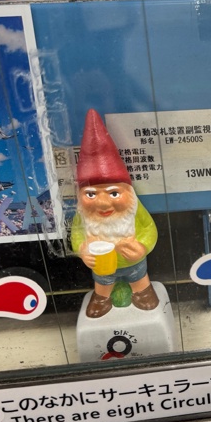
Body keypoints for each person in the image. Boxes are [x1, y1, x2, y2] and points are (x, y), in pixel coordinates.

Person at [70, 110, 158, 318]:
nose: (103, 203)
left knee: (138, 276)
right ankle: (102, 297)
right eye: (91, 194)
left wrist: (142, 246)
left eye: (114, 193)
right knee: (103, 281)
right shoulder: (83, 214)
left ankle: (142, 291)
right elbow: (77, 233)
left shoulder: (134, 209)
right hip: (102, 266)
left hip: (132, 262)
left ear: (128, 192)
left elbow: (149, 229)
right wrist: (82, 250)